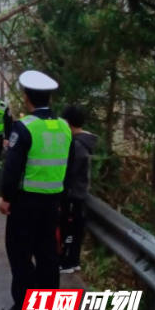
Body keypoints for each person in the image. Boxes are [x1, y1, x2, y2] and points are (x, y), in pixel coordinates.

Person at [0, 71, 74, 310]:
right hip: (53, 203)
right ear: (50, 97)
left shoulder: (25, 126)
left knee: (20, 254)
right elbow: (70, 166)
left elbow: (13, 168)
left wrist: (6, 198)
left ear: (26, 96)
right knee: (48, 255)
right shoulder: (64, 127)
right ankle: (50, 309)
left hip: (26, 203)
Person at [60, 105, 97, 274]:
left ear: (68, 122)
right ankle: (73, 260)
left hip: (73, 194)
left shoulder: (77, 144)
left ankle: (67, 262)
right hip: (79, 193)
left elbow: (69, 172)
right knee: (75, 228)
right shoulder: (83, 142)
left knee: (69, 229)